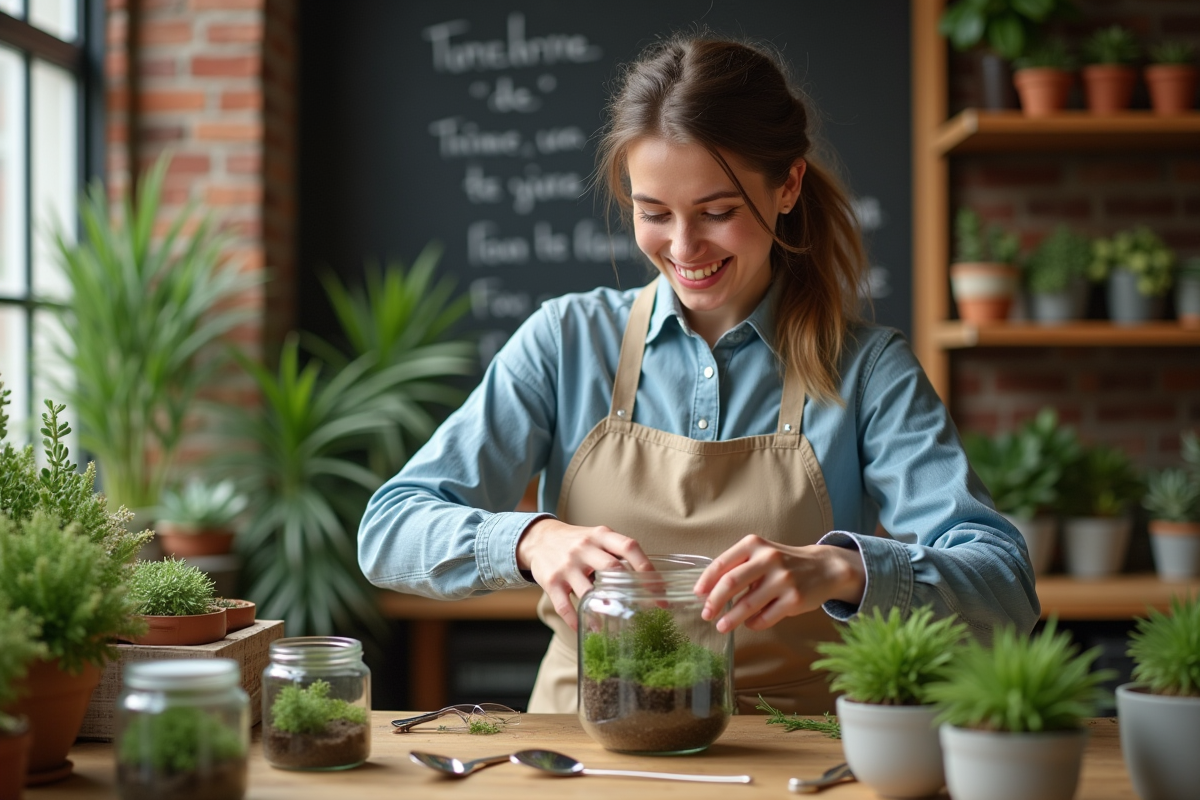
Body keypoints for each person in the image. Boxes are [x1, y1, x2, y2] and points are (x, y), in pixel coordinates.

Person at [358, 34, 1039, 715]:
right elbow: (388, 530)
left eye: (718, 213)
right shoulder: (565, 340)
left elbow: (1004, 588)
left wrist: (843, 568)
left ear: (787, 186)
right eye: (653, 214)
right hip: (585, 748)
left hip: (794, 755)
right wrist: (530, 538)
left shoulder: (867, 370)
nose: (683, 249)